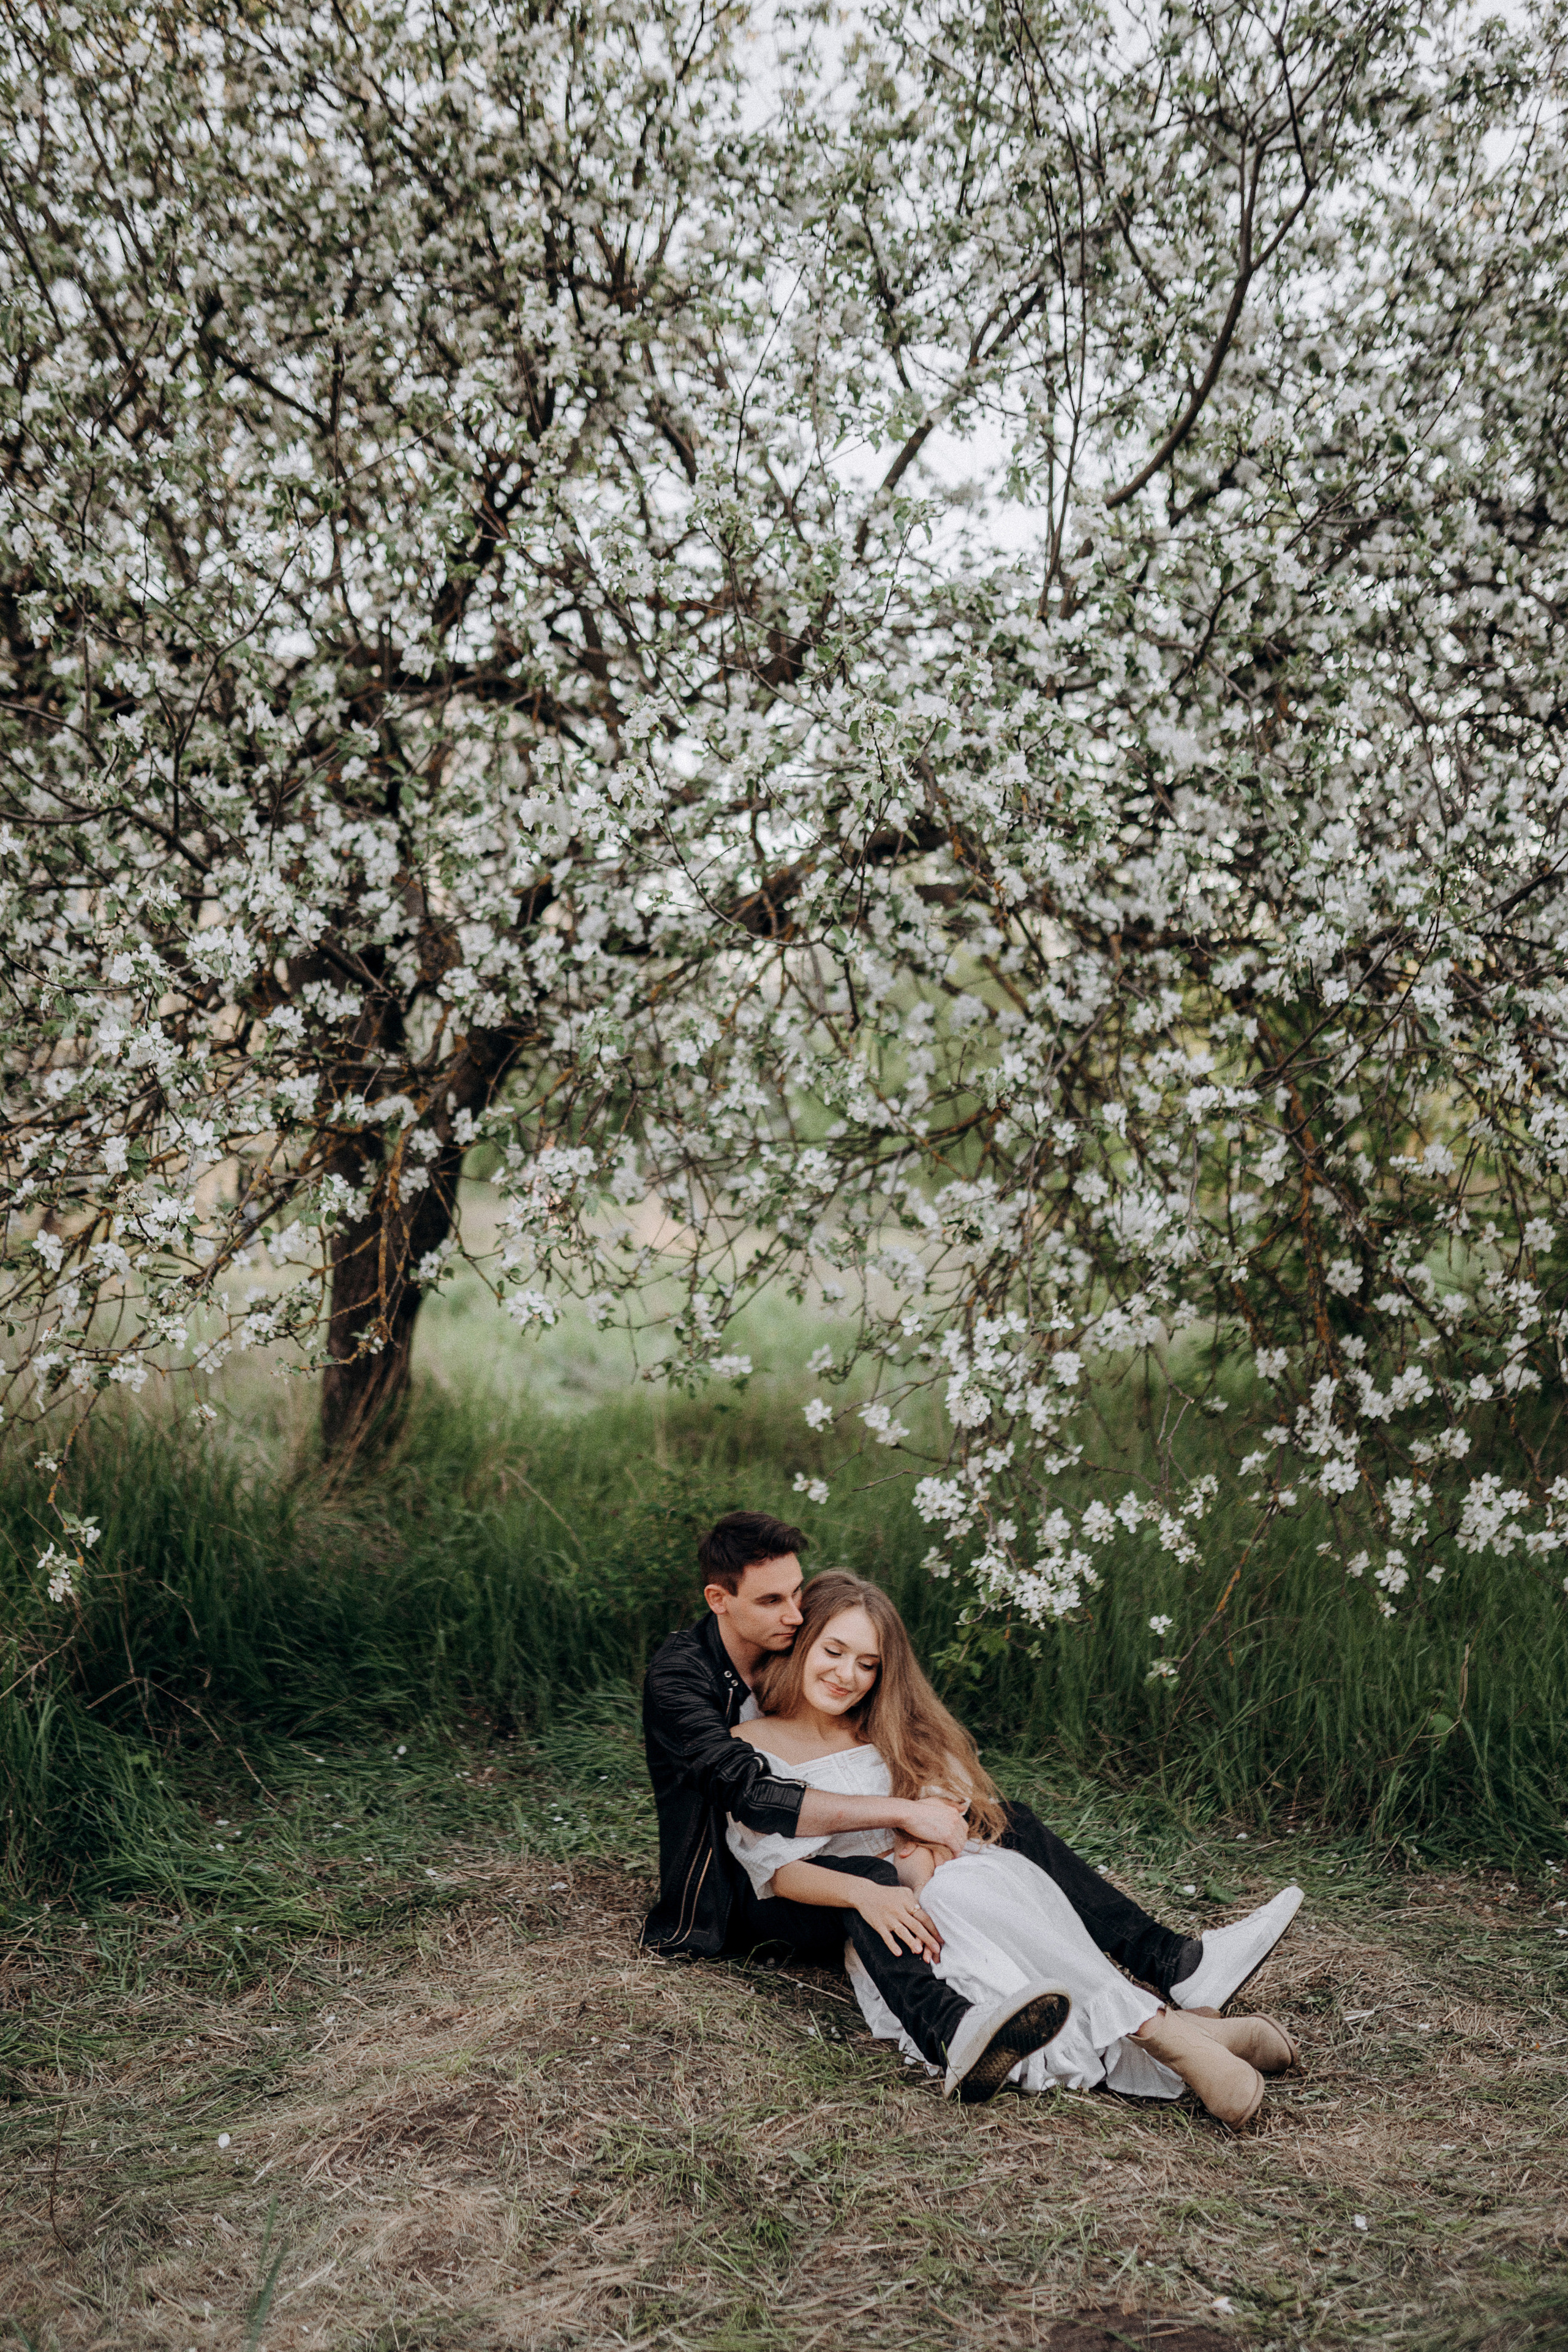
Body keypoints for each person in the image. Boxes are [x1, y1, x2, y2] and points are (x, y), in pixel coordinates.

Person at [640, 1511, 1302, 2103]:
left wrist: (928, 1836)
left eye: (797, 1597)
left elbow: (940, 1780)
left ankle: (1176, 1972)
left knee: (1002, 1837)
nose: (793, 1613)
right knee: (895, 1886)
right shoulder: (694, 1687)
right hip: (746, 1898)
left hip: (920, 1877)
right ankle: (1146, 2033)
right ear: (719, 1601)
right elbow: (752, 1800)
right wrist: (897, 1824)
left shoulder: (844, 1701)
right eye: (777, 1604)